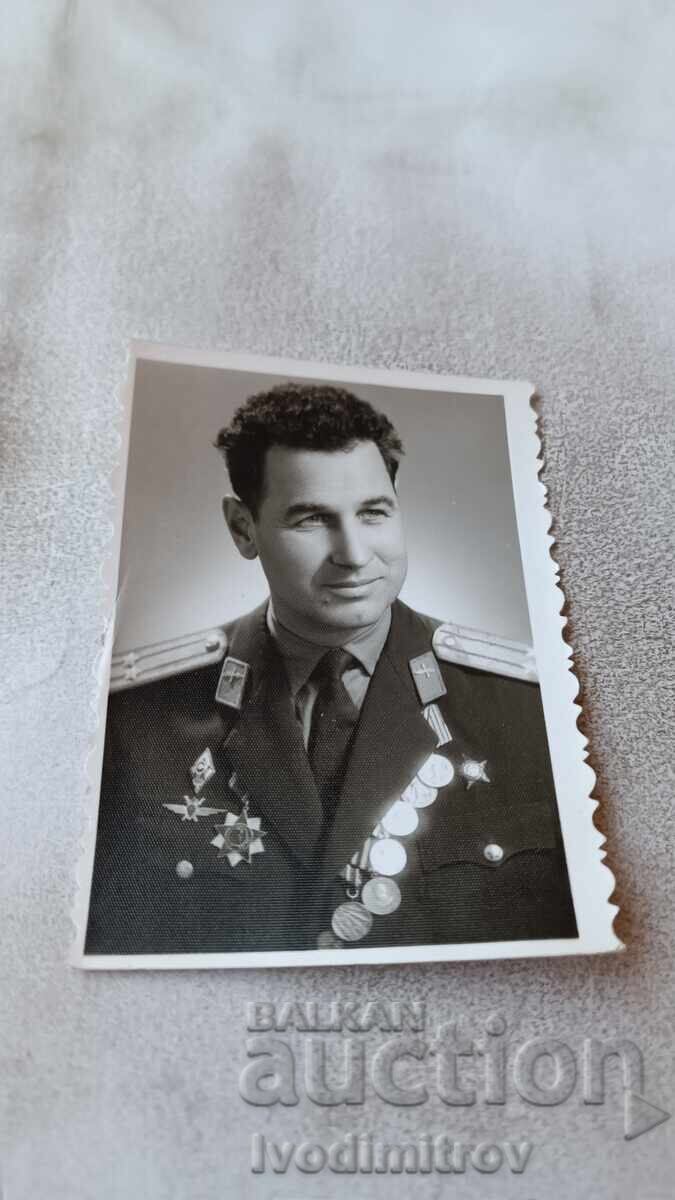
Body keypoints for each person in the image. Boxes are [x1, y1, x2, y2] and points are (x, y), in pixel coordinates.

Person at [85, 382, 577, 956]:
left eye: (373, 513)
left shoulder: (531, 712)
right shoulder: (130, 725)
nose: (353, 553)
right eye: (312, 519)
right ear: (244, 529)